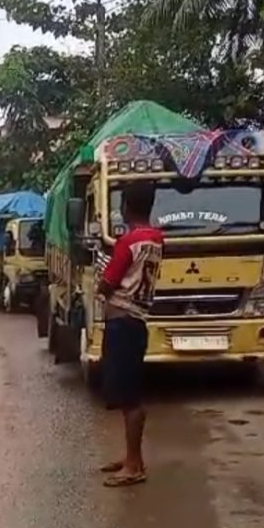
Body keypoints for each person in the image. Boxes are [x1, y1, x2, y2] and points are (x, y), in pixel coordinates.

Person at [97, 179, 163, 487]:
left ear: (126, 206)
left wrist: (101, 282)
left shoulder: (129, 242)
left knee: (129, 396)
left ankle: (134, 464)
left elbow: (107, 283)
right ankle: (130, 457)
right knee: (127, 393)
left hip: (123, 320)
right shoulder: (156, 239)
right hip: (137, 320)